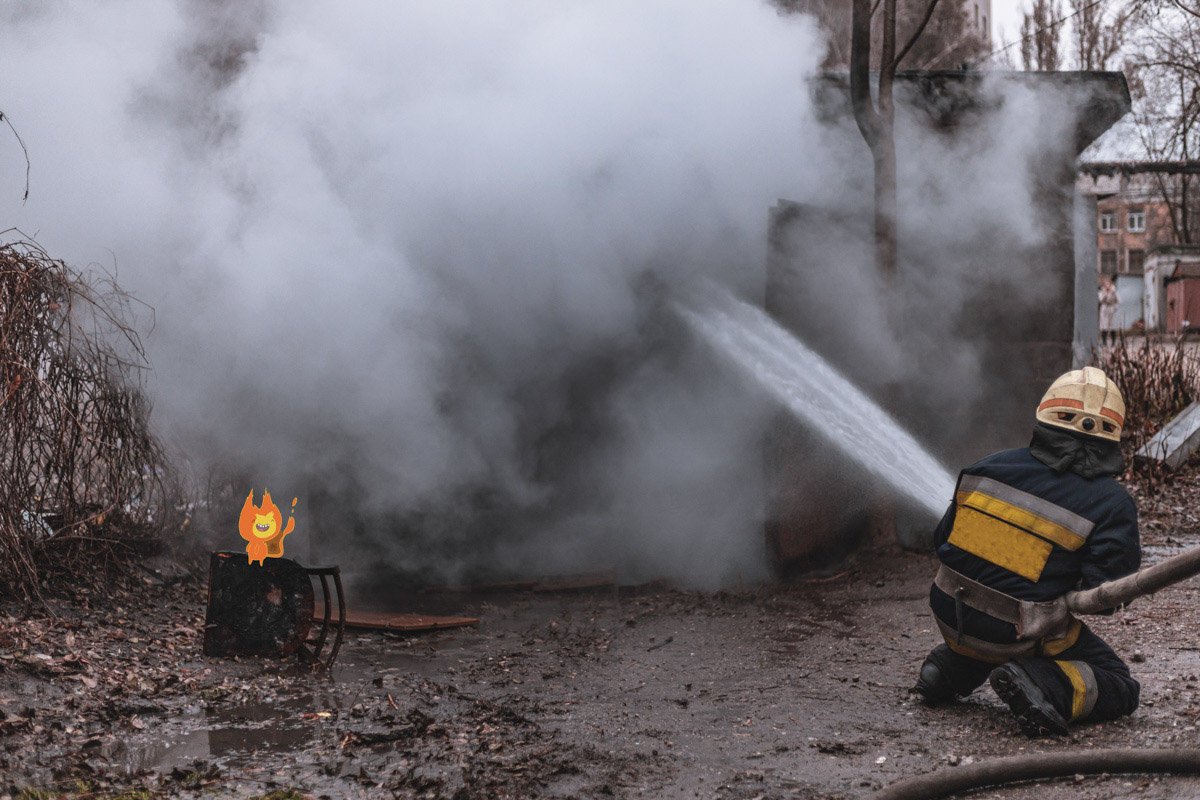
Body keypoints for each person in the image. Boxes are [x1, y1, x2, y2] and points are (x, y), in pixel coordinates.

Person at [912, 367, 1140, 736]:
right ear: (1112, 439)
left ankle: (946, 670)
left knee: (996, 618)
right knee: (1119, 683)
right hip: (1014, 632)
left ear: (1045, 417)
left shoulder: (986, 466)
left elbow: (943, 540)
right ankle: (1042, 684)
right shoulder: (1112, 504)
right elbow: (1105, 598)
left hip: (949, 613)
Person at [1098, 276, 1119, 346]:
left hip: (1112, 309)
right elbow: (1101, 300)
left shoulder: (1114, 290)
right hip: (1104, 309)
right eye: (1105, 284)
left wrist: (1113, 292)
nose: (1107, 285)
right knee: (1104, 326)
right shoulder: (1101, 291)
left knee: (1113, 325)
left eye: (1108, 283)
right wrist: (1106, 293)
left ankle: (1113, 342)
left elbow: (1119, 300)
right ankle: (1104, 342)